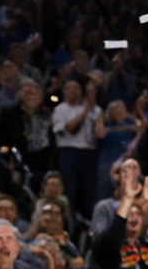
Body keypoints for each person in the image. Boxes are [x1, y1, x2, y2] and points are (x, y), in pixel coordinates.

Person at [51, 81, 101, 218]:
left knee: (88, 192)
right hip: (68, 153)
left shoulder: (94, 110)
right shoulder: (60, 109)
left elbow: (100, 133)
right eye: (69, 88)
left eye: (76, 87)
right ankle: (68, 221)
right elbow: (71, 129)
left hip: (89, 153)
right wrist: (85, 111)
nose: (73, 91)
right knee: (69, 191)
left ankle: (87, 224)